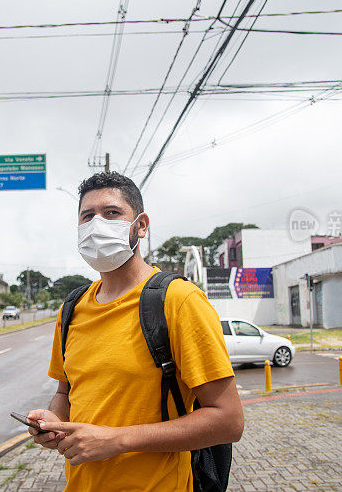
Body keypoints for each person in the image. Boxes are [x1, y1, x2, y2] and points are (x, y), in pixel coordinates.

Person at [27, 172, 243, 491]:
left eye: (111, 213)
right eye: (87, 216)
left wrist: (117, 440)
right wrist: (52, 424)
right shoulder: (71, 309)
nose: (97, 224)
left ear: (140, 225)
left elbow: (228, 421)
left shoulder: (179, 301)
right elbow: (65, 394)